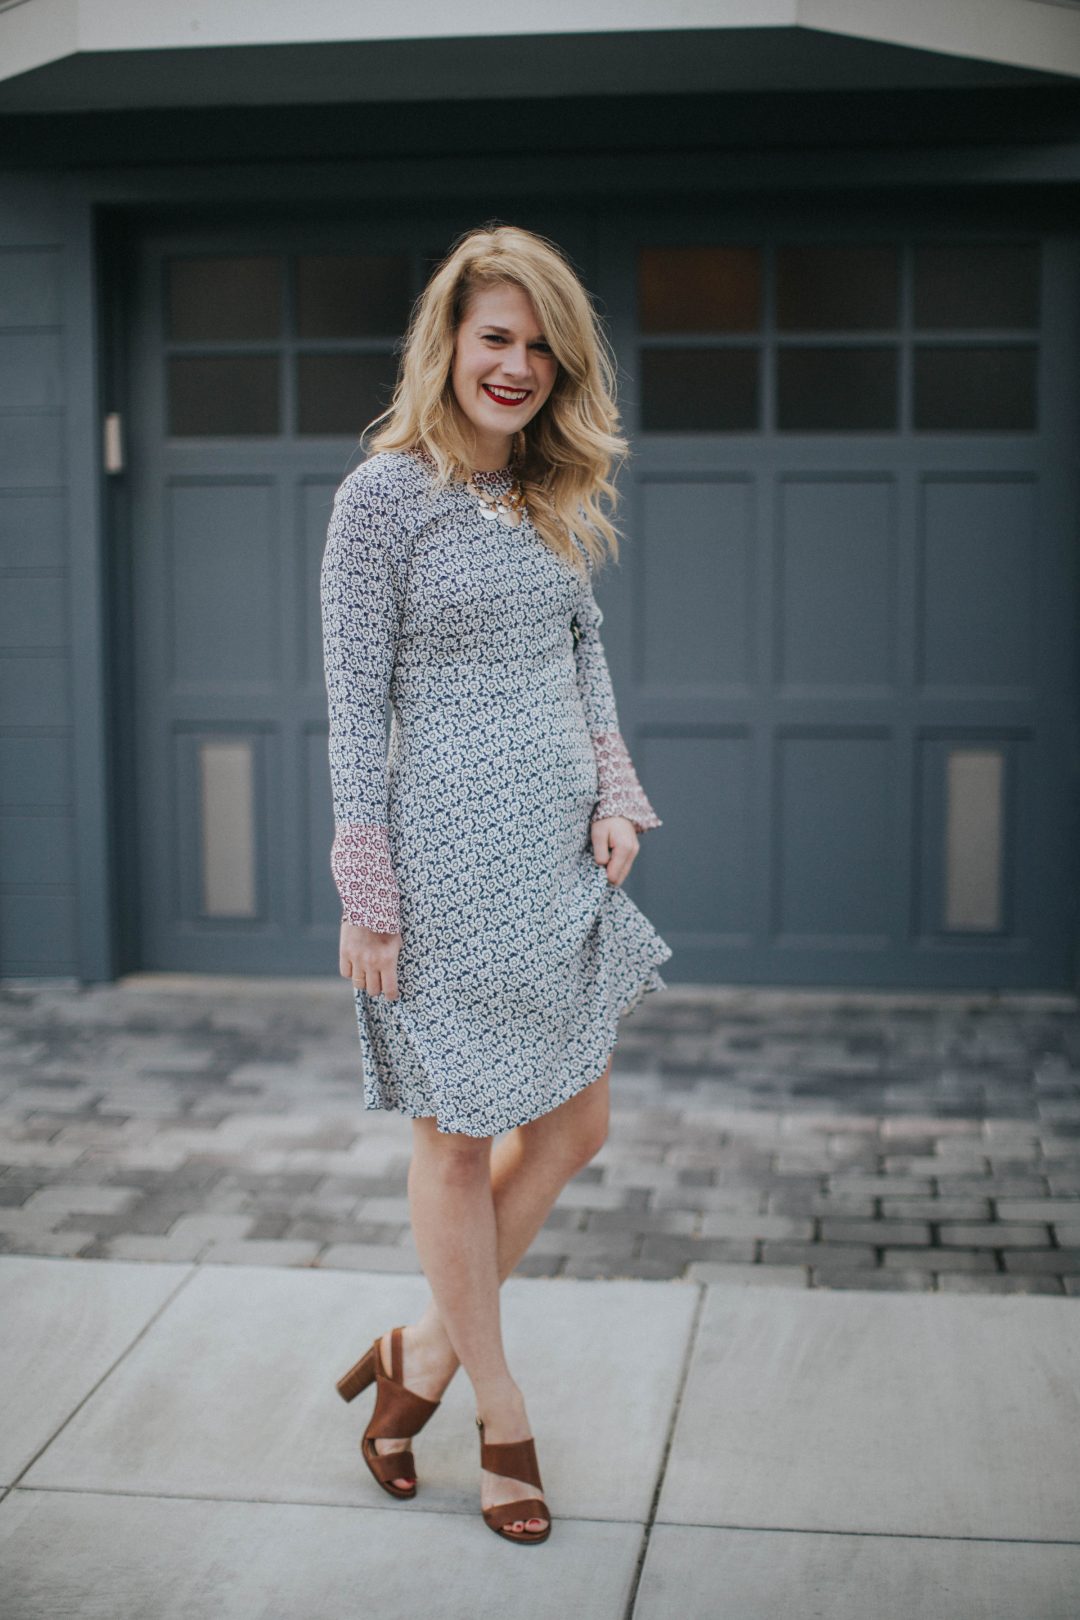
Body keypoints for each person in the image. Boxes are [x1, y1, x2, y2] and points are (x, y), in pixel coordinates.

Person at [319, 221, 673, 1545]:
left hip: (555, 855)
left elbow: (582, 654)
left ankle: (414, 1356)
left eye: (538, 346)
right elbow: (353, 711)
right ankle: (500, 1410)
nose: (516, 365)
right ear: (450, 345)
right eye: (496, 339)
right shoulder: (382, 499)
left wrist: (615, 790)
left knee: (575, 1130)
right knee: (457, 1141)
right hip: (442, 867)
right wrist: (366, 887)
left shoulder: (541, 492)